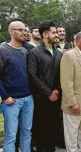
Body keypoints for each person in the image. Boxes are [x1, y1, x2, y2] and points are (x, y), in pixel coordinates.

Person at [27, 21, 62, 152]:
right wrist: (48, 93)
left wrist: (57, 90)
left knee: (54, 127)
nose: (57, 35)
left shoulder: (59, 53)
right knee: (41, 129)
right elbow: (32, 75)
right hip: (41, 98)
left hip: (57, 97)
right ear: (45, 34)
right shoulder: (34, 53)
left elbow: (62, 74)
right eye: (54, 32)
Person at [0, 20, 34, 152]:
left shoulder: (25, 51)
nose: (24, 32)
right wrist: (5, 96)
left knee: (27, 132)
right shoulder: (2, 50)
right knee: (11, 135)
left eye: (25, 29)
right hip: (11, 101)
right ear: (11, 31)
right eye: (20, 30)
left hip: (28, 99)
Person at [60, 31, 81, 152]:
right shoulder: (69, 55)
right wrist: (73, 102)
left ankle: (79, 150)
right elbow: (66, 82)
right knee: (72, 133)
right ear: (77, 41)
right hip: (74, 103)